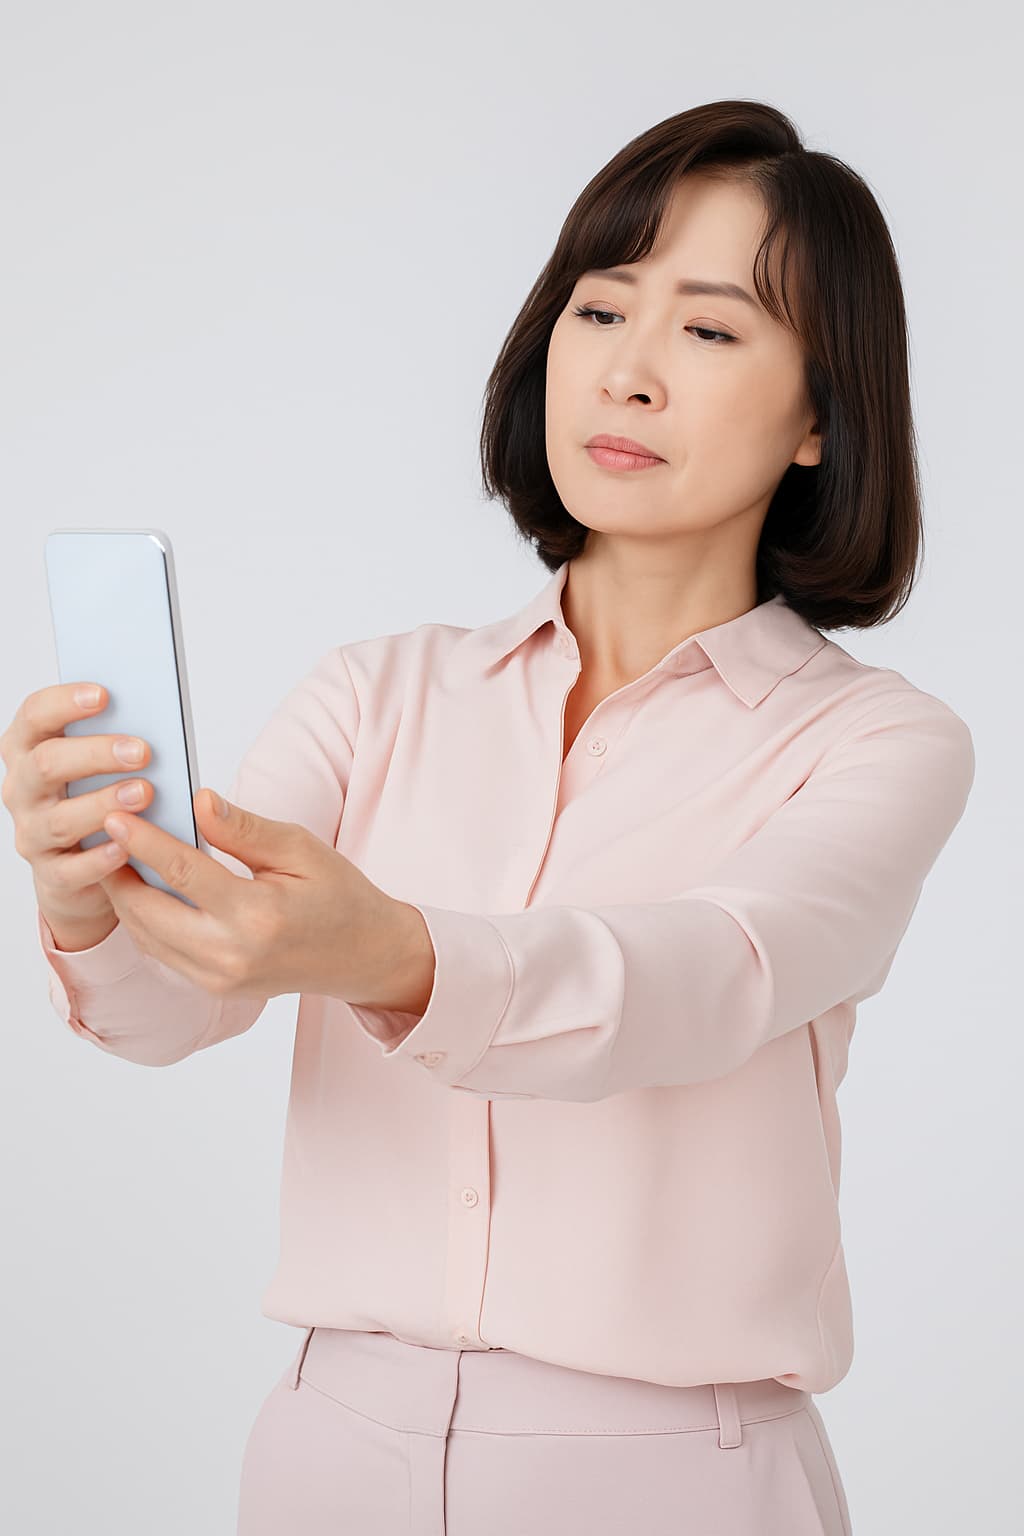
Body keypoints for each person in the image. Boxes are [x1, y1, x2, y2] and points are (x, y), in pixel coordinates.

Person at [5, 99, 975, 1534]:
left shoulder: (878, 741)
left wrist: (389, 955)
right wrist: (92, 897)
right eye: (599, 312)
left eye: (709, 333)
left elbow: (706, 981)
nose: (629, 376)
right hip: (332, 1451)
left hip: (672, 1476)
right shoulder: (375, 691)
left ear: (824, 415)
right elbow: (174, 1007)